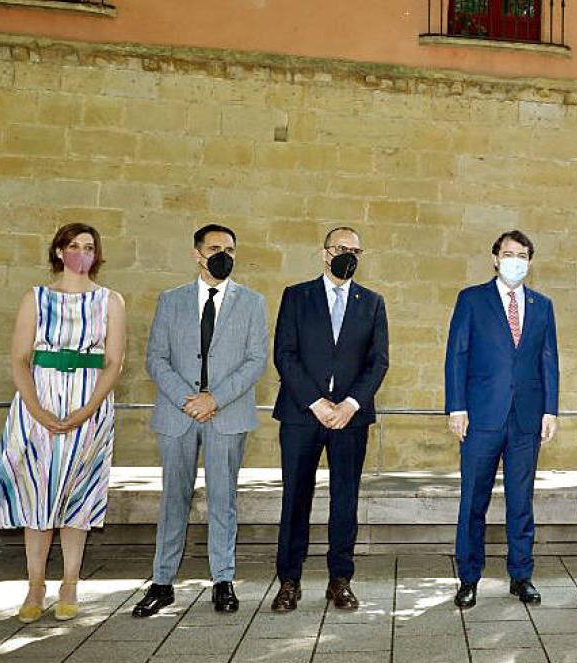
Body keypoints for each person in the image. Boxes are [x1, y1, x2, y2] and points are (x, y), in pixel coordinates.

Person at [0, 223, 126, 623]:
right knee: (36, 490)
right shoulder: (35, 298)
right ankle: (35, 584)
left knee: (78, 491)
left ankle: (71, 582)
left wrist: (87, 408)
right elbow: (20, 358)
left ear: (97, 254)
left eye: (89, 246)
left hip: (89, 402)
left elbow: (115, 362)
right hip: (38, 399)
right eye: (73, 245)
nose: (81, 252)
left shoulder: (110, 301)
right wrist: (38, 410)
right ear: (59, 251)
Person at [132, 224, 268, 618]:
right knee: (173, 498)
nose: (223, 254)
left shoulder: (252, 302)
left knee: (224, 500)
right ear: (197, 254)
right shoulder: (170, 300)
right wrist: (187, 400)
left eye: (229, 248)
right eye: (214, 248)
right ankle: (162, 582)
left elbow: (256, 360)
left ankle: (223, 580)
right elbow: (156, 357)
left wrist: (215, 398)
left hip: (227, 414)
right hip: (178, 415)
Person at [270, 226, 389, 612]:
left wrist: (351, 404)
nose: (348, 255)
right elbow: (285, 355)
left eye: (356, 250)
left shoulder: (372, 302)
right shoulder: (297, 296)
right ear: (324, 253)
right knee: (296, 499)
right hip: (302, 415)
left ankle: (340, 579)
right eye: (341, 248)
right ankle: (289, 580)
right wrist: (316, 403)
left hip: (350, 419)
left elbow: (378, 361)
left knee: (345, 500)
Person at [445, 230, 559, 609]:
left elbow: (548, 360)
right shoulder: (472, 300)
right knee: (473, 501)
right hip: (480, 417)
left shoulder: (542, 305)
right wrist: (456, 407)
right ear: (495, 258)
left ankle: (521, 575)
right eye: (508, 254)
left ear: (530, 261)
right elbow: (457, 355)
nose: (515, 260)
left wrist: (550, 409)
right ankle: (468, 578)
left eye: (522, 254)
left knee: (521, 501)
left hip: (526, 419)